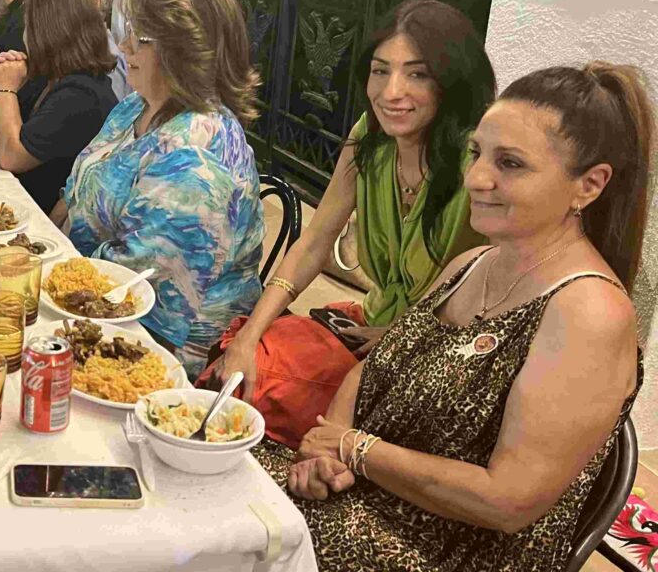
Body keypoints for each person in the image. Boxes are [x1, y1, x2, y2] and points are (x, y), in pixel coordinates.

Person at [267, 62, 651, 571]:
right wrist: (323, 453)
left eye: (510, 163)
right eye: (476, 153)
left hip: (442, 553)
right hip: (362, 504)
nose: (475, 178)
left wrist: (355, 449)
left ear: (589, 185)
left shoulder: (590, 313)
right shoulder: (472, 264)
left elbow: (507, 501)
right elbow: (373, 369)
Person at [206, 0, 494, 449]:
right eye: (380, 71)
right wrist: (249, 334)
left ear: (452, 81)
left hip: (438, 359)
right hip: (369, 326)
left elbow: (493, 302)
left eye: (417, 74)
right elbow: (316, 240)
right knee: (235, 361)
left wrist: (401, 339)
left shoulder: (477, 164)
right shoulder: (370, 137)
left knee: (258, 393)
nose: (391, 92)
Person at [55, 0, 265, 377]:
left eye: (140, 37)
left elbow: (142, 293)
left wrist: (50, 278)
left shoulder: (195, 155)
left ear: (182, 52)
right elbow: (78, 184)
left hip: (162, 349)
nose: (123, 45)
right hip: (92, 288)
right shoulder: (138, 105)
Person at [0, 0, 118, 212]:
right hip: (19, 200)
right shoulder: (47, 75)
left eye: (28, 27)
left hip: (42, 215)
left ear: (48, 32)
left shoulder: (81, 95)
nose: (23, 36)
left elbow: (11, 157)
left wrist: (6, 89)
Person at [54, 0, 131, 102]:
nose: (55, 3)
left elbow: (111, 115)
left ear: (95, 4)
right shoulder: (68, 48)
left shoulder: (107, 62)